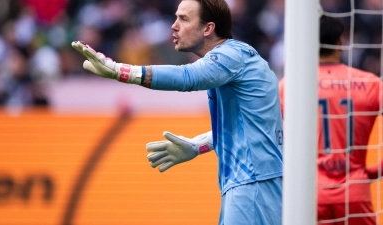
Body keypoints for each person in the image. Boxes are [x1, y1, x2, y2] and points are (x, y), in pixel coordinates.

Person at [72, 0, 283, 224]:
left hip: (252, 185)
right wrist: (197, 145)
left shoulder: (231, 56)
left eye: (183, 19)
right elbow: (248, 128)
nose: (174, 26)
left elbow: (187, 77)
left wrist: (120, 71)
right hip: (254, 183)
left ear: (208, 28)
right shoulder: (236, 60)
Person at [279, 15, 383, 225]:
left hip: (308, 192)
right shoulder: (370, 83)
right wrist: (374, 171)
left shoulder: (289, 85)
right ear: (340, 43)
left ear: (305, 42)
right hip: (355, 190)